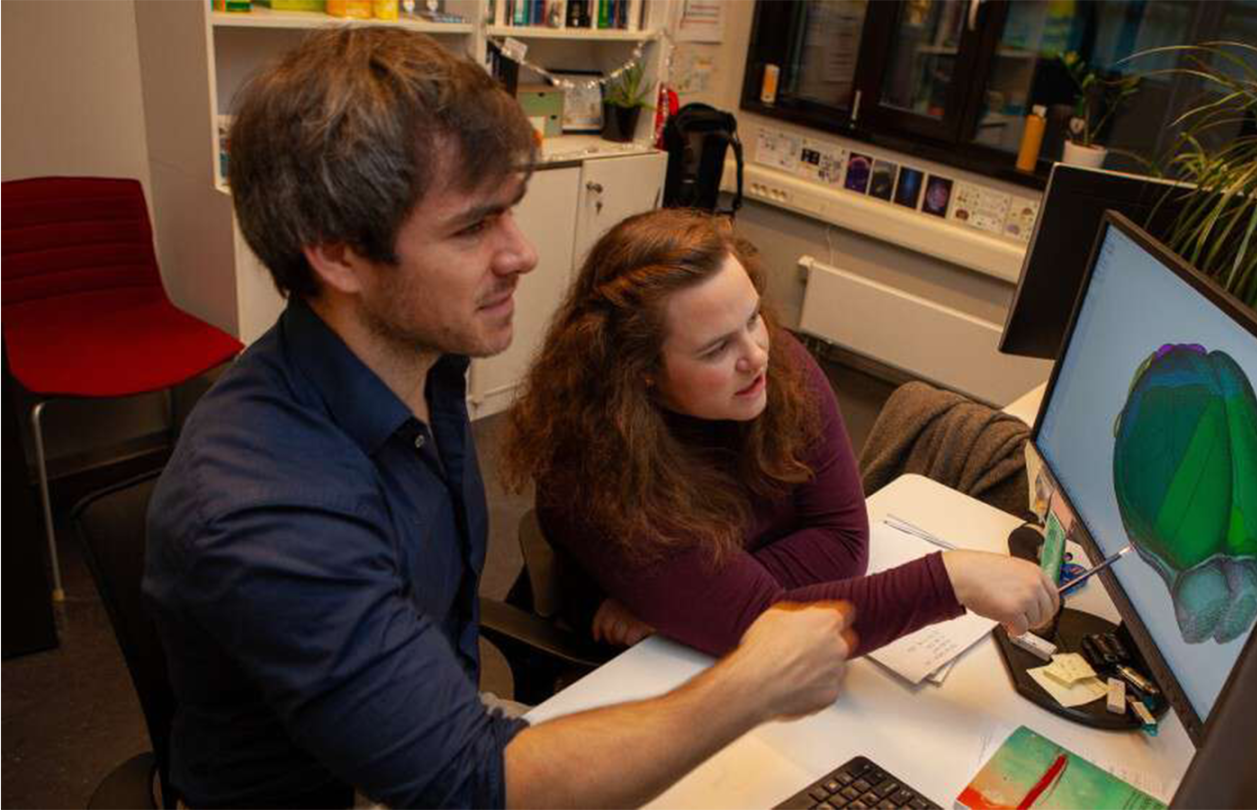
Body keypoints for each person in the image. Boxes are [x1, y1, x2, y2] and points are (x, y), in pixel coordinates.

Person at [143, 27, 855, 810]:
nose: (522, 253)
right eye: (473, 226)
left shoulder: (427, 364)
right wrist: (751, 683)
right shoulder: (266, 503)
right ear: (339, 256)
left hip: (431, 739)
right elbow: (469, 786)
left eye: (511, 212)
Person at [502, 209, 1060, 656]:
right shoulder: (594, 471)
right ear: (640, 372)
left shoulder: (777, 364)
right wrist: (950, 579)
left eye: (752, 318)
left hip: (705, 637)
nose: (756, 356)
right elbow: (761, 632)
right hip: (636, 678)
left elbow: (844, 540)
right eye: (716, 347)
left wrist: (704, 599)